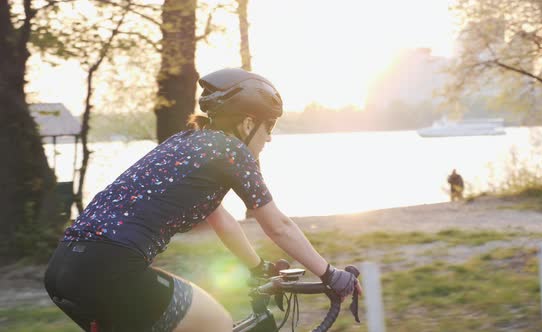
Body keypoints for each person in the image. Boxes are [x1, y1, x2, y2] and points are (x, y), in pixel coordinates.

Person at [44, 68, 362, 332]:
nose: (269, 138)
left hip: (64, 269)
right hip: (111, 270)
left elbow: (218, 217)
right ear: (248, 123)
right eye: (269, 126)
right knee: (216, 323)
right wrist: (330, 274)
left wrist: (256, 267)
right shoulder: (232, 151)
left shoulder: (188, 142)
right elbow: (278, 226)